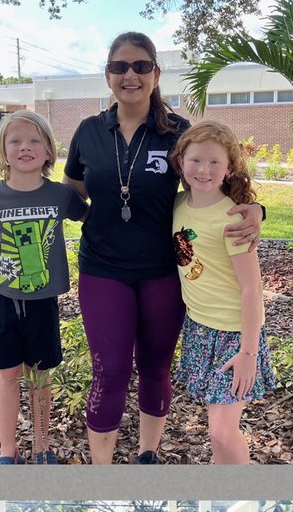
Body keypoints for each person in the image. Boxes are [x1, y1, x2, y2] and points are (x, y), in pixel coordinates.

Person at [60, 32, 264, 464]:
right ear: (107, 75)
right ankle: (102, 469)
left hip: (162, 272)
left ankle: (147, 456)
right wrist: (10, 191)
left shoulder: (178, 131)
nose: (130, 75)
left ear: (156, 73)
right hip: (103, 268)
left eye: (140, 66)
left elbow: (217, 184)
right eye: (120, 67)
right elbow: (71, 195)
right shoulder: (89, 131)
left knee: (155, 367)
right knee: (110, 371)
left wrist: (257, 210)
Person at [0, 110, 88, 464]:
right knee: (7, 375)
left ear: (49, 151)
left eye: (34, 140)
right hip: (1, 299)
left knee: (41, 375)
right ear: (3, 152)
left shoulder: (61, 196)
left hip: (42, 301)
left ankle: (41, 445)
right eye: (16, 141)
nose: (25, 147)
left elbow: (99, 219)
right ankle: (7, 450)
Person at [172, 121, 277, 463]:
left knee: (222, 430)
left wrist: (248, 352)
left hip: (235, 334)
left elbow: (252, 288)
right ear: (181, 162)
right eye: (196, 160)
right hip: (200, 328)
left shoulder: (233, 219)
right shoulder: (177, 205)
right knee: (216, 432)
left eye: (215, 162)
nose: (204, 169)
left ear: (229, 167)